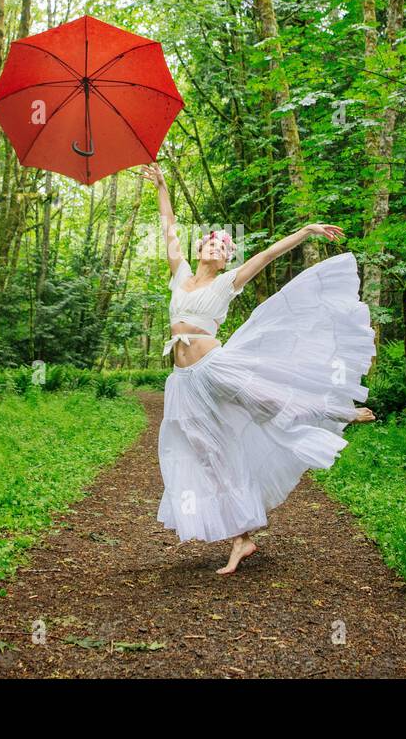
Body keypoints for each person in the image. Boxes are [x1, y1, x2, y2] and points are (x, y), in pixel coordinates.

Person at [133, 162, 377, 575]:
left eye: (224, 247)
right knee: (210, 452)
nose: (217, 248)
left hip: (215, 366)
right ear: (199, 251)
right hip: (183, 382)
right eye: (211, 244)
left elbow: (266, 254)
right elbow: (169, 227)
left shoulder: (228, 283)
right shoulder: (181, 277)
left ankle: (337, 411)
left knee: (267, 402)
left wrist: (306, 232)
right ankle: (242, 539)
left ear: (228, 258)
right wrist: (162, 185)